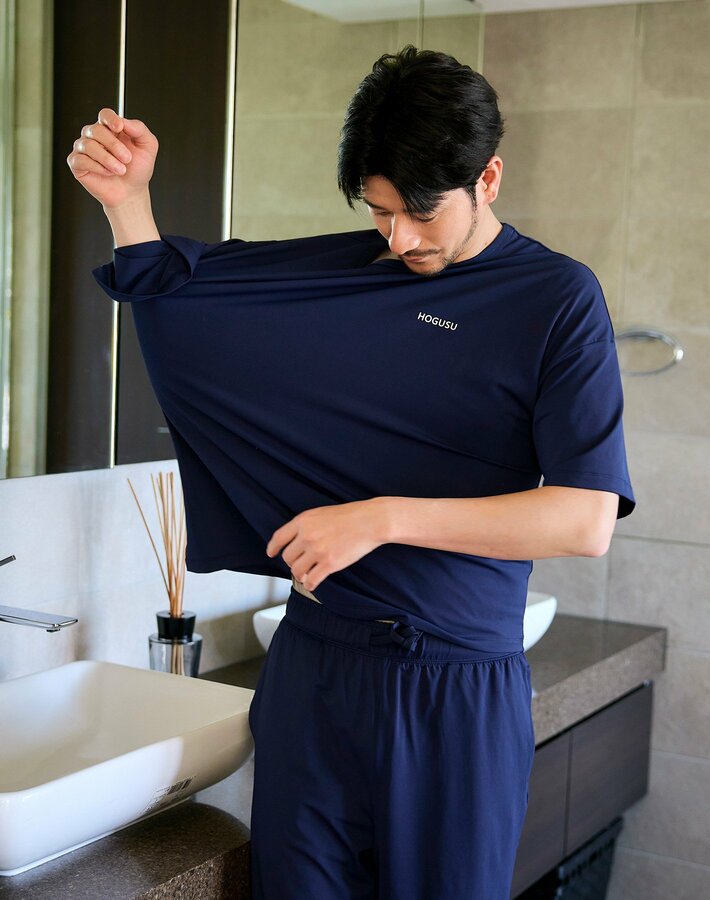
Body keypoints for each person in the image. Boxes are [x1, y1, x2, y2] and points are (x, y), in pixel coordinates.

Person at [70, 45, 636, 900]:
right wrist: (127, 203)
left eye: (419, 213)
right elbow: (187, 314)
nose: (399, 239)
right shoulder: (351, 271)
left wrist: (383, 516)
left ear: (488, 177)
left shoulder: (556, 299)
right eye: (379, 212)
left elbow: (583, 519)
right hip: (313, 673)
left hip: (454, 689)